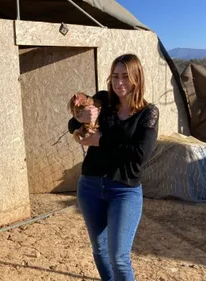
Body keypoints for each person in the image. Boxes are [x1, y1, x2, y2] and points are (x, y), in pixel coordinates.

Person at [68, 54, 159, 281]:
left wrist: (101, 141)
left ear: (137, 78)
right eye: (115, 76)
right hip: (90, 186)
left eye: (126, 77)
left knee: (119, 256)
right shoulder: (103, 101)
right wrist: (81, 117)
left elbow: (139, 155)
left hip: (124, 190)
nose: (119, 83)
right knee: (99, 250)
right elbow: (72, 124)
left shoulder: (148, 113)